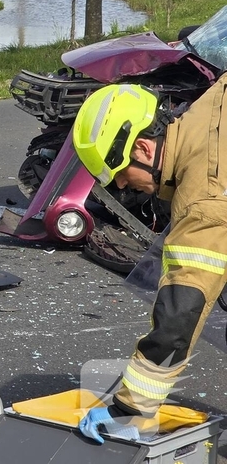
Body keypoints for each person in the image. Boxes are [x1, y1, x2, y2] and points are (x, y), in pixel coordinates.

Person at [71, 82, 227, 444]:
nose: (127, 186)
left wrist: (130, 410)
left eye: (123, 175)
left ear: (143, 146)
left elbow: (178, 316)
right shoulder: (212, 104)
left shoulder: (204, 196)